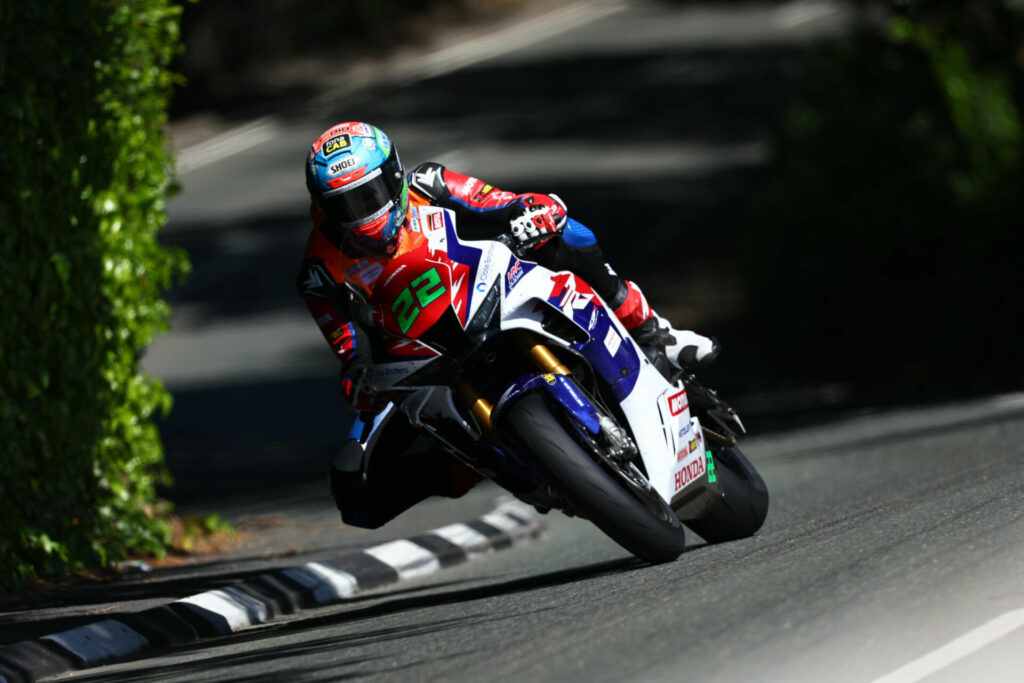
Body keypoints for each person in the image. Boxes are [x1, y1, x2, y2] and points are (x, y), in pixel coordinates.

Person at [297, 121, 718, 528]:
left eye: (371, 195)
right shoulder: (319, 270)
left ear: (393, 176)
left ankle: (651, 330)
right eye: (345, 207)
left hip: (487, 289)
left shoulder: (429, 184)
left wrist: (530, 210)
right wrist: (358, 376)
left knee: (566, 235)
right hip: (420, 354)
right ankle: (481, 467)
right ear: (323, 209)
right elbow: (347, 346)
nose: (363, 214)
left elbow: (496, 201)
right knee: (355, 489)